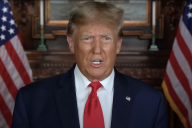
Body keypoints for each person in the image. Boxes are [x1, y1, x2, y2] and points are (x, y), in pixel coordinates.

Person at [11, 2, 168, 128]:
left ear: (118, 44)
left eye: (106, 38)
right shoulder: (32, 100)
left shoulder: (151, 101)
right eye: (87, 38)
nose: (97, 49)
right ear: (71, 43)